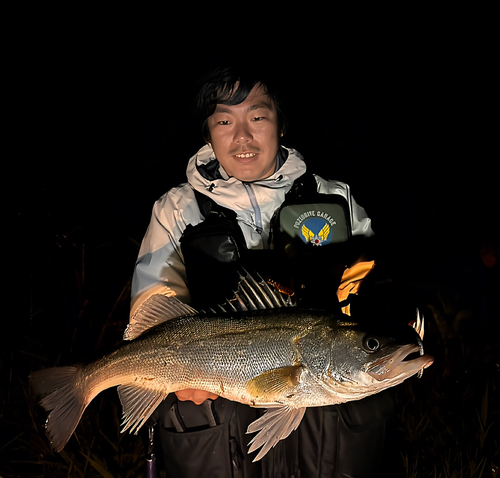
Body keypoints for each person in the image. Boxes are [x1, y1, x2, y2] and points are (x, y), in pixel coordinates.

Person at [130, 65, 392, 477]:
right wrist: (172, 373)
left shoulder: (334, 199)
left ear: (280, 125)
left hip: (326, 423)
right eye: (224, 121)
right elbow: (153, 305)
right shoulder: (177, 209)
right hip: (217, 424)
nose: (242, 137)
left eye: (257, 116)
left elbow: (372, 292)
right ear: (208, 133)